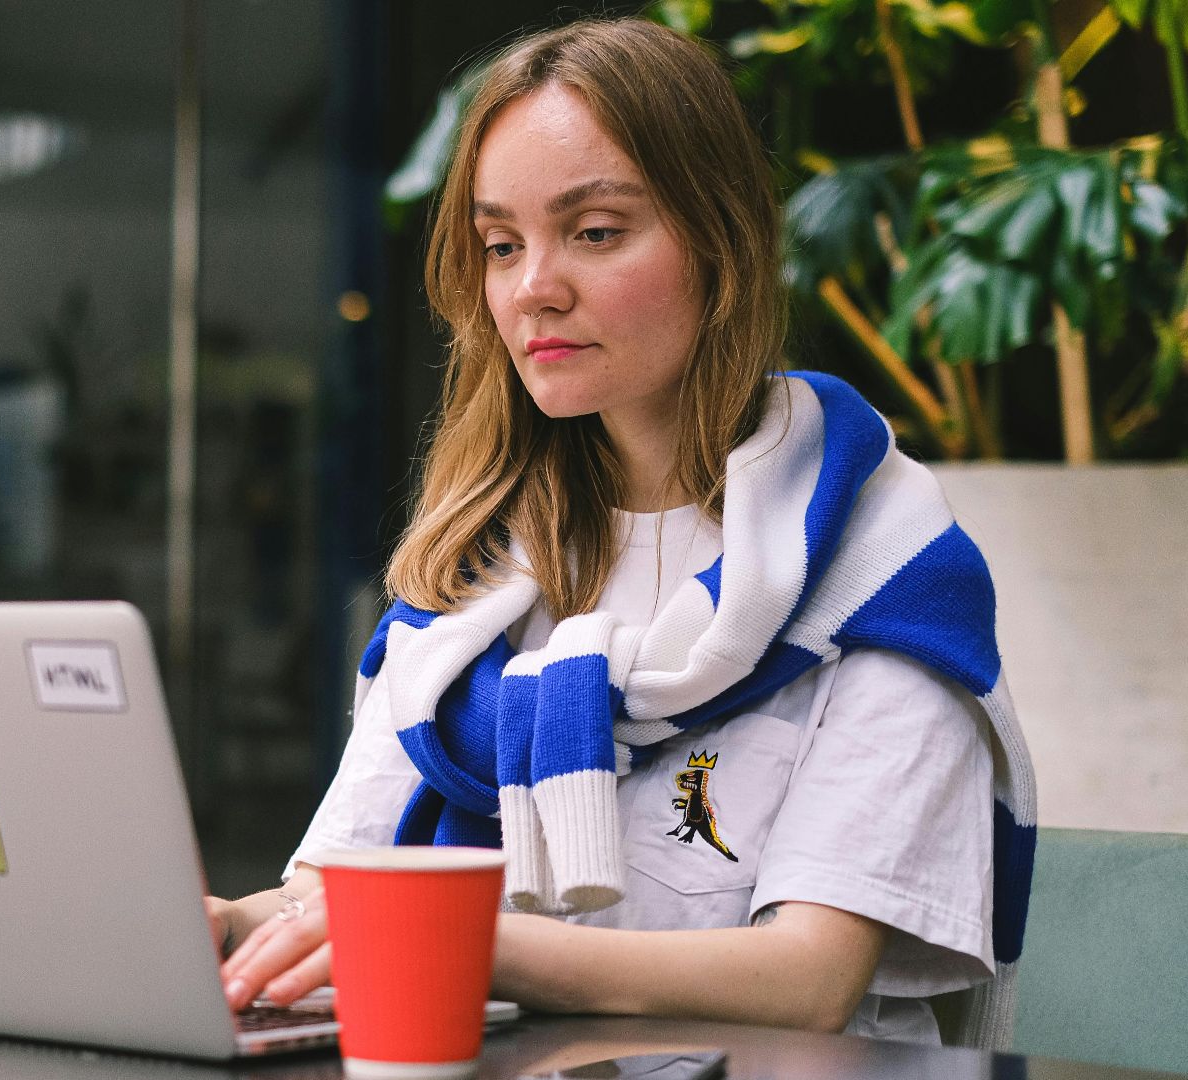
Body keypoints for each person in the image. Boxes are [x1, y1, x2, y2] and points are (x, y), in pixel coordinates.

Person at [205, 17, 1035, 1048]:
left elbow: (810, 977)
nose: (532, 288)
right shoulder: (469, 585)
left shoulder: (880, 572)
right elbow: (332, 902)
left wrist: (473, 942)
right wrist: (226, 927)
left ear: (721, 245)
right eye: (501, 245)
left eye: (595, 232)